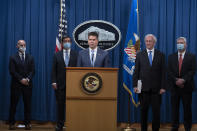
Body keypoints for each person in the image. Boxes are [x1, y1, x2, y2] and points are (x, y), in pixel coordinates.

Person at [133, 34, 166, 131]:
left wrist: (163, 87)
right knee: (143, 113)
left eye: (150, 41)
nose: (148, 43)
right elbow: (136, 71)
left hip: (157, 90)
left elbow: (163, 72)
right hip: (143, 90)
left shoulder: (161, 55)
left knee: (156, 113)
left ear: (154, 43)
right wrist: (135, 85)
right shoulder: (139, 55)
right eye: (146, 41)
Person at [168, 37, 196, 131]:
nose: (179, 44)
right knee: (174, 109)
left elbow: (192, 71)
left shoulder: (191, 56)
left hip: (187, 87)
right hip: (174, 87)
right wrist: (176, 80)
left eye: (181, 43)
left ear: (186, 44)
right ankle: (175, 127)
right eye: (178, 43)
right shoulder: (171, 57)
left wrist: (183, 80)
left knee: (187, 109)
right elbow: (169, 71)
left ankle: (187, 127)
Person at [51, 36, 78, 131]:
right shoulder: (57, 55)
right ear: (62, 44)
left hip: (73, 85)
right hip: (59, 85)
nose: (67, 43)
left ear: (71, 43)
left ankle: (73, 124)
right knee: (60, 106)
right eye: (65, 41)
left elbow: (79, 69)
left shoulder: (76, 54)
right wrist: (53, 81)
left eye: (69, 41)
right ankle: (60, 125)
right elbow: (53, 70)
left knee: (73, 106)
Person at [8, 40, 35, 130]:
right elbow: (12, 71)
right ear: (17, 46)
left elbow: (32, 71)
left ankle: (27, 123)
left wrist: (27, 79)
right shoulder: (12, 57)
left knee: (27, 105)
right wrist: (21, 79)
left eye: (24, 45)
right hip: (16, 85)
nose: (23, 46)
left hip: (27, 84)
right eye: (21, 45)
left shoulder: (30, 57)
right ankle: (11, 123)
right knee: (13, 104)